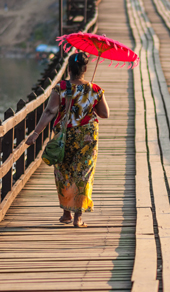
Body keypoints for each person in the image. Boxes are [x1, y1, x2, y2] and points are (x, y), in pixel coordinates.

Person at [26, 53, 110, 227]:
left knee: (64, 172)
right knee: (83, 174)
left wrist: (35, 133)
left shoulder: (61, 87)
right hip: (87, 137)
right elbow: (105, 114)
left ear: (69, 69)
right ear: (85, 69)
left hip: (65, 135)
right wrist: (90, 104)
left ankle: (66, 214)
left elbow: (49, 112)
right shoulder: (95, 89)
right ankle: (78, 217)